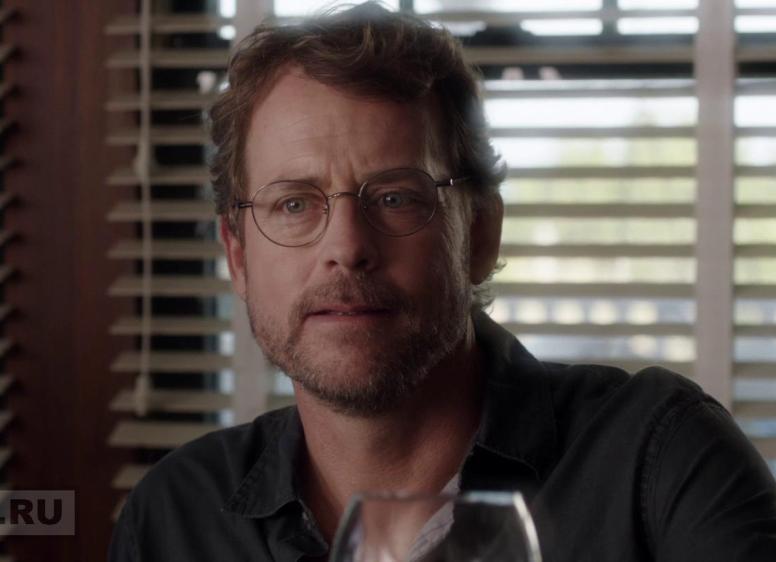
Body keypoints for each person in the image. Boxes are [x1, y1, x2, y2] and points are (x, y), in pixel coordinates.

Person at [108, 4, 776, 561]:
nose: (346, 248)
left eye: (396, 198)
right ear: (238, 255)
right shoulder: (175, 515)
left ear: (479, 235)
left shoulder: (660, 462)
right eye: (293, 203)